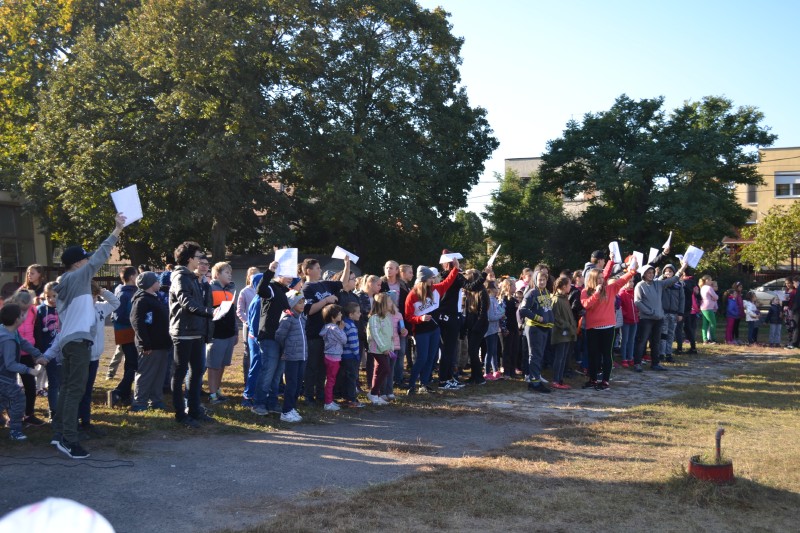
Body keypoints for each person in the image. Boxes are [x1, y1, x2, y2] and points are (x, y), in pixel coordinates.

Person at [52, 213, 125, 458]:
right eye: (84, 259)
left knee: (68, 389)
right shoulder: (77, 276)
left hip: (69, 341)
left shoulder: (69, 281)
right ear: (76, 264)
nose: (88, 262)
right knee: (75, 390)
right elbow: (101, 255)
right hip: (77, 342)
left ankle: (59, 433)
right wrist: (117, 230)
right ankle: (69, 440)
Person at [169, 241, 216, 429]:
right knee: (180, 373)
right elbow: (186, 302)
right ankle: (180, 414)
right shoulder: (180, 277)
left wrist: (209, 312)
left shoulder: (192, 277)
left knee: (197, 372)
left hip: (196, 332)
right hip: (183, 332)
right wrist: (209, 312)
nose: (201, 260)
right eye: (198, 256)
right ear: (189, 259)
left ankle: (195, 410)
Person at [301, 257, 350, 405]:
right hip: (315, 332)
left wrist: (347, 265)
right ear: (308, 271)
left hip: (329, 335)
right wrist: (325, 301)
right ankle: (308, 395)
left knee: (323, 366)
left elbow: (343, 283)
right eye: (317, 268)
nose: (320, 270)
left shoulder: (324, 284)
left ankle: (321, 394)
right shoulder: (306, 288)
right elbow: (308, 310)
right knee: (313, 365)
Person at [582, 256, 637, 389]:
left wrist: (632, 271)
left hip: (608, 327)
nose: (601, 280)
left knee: (606, 354)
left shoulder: (610, 289)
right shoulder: (585, 291)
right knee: (593, 355)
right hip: (592, 327)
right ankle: (593, 379)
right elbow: (586, 305)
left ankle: (605, 381)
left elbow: (622, 280)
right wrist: (596, 293)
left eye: (602, 278)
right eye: (599, 278)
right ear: (593, 279)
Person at [405, 262, 459, 394]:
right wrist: (420, 319)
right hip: (421, 332)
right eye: (431, 278)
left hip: (435, 330)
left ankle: (424, 384)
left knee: (431, 358)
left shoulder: (435, 289)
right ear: (424, 279)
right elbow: (408, 316)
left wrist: (456, 268)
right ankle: (411, 385)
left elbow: (448, 282)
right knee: (422, 358)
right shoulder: (412, 295)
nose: (433, 280)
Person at [0, 303, 47, 441]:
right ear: (16, 320)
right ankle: (15, 430)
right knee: (19, 399)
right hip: (4, 377)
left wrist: (38, 355)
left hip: (5, 377)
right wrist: (29, 370)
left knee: (3, 400)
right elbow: (10, 364)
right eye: (21, 315)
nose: (24, 317)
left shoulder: (11, 331)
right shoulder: (7, 340)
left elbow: (24, 343)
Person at [252, 260, 293, 416]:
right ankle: (259, 403)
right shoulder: (271, 288)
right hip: (269, 337)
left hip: (283, 338)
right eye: (287, 274)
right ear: (278, 274)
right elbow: (260, 289)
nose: (290, 277)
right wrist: (270, 271)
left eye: (291, 274)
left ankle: (272, 403)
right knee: (268, 371)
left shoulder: (287, 292)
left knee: (277, 374)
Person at [79, 283, 119, 436]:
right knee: (79, 390)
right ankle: (74, 421)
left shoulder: (100, 307)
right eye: (90, 296)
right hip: (82, 356)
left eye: (94, 296)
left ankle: (86, 421)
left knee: (88, 389)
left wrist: (102, 291)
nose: (93, 299)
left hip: (95, 357)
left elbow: (115, 302)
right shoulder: (79, 310)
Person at [634, 261, 687, 372]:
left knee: (656, 341)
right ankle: (637, 363)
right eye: (648, 273)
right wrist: (650, 312)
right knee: (642, 341)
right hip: (646, 319)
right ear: (644, 274)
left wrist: (683, 267)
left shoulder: (658, 284)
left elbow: (674, 279)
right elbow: (638, 302)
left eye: (652, 272)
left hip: (658, 318)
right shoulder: (640, 285)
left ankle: (655, 363)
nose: (651, 274)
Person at [130, 271, 171, 412]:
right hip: (150, 345)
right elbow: (138, 323)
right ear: (150, 284)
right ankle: (139, 402)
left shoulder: (154, 298)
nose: (159, 283)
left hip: (160, 344)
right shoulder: (142, 300)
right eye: (157, 281)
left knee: (159, 374)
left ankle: (156, 400)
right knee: (146, 374)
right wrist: (144, 343)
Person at [7, 290, 45, 426]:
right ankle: (13, 417)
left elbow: (34, 333)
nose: (23, 314)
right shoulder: (8, 313)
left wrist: (37, 353)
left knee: (30, 385)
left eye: (26, 309)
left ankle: (29, 414)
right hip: (11, 354)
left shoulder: (34, 311)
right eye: (21, 310)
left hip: (27, 354)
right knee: (10, 387)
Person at [519, 270, 554, 393]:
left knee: (539, 355)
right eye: (540, 280)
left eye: (544, 279)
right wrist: (538, 318)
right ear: (535, 280)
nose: (542, 282)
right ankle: (535, 383)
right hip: (534, 328)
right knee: (535, 355)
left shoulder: (546, 292)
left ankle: (536, 379)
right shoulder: (531, 293)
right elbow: (523, 310)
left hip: (545, 328)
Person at [207, 262, 237, 404]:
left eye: (230, 272)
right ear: (217, 274)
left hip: (229, 334)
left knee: (222, 364)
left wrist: (235, 332)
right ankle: (212, 394)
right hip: (216, 334)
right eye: (227, 272)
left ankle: (217, 390)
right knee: (214, 365)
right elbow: (207, 312)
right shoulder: (210, 289)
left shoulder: (230, 291)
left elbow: (232, 314)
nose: (230, 275)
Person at [276, 290, 307, 423]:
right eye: (299, 302)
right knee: (292, 384)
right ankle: (286, 411)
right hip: (291, 357)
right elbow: (279, 336)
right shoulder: (288, 319)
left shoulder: (302, 318)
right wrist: (289, 348)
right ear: (292, 303)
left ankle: (292, 408)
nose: (302, 304)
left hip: (302, 356)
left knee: (298, 384)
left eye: (303, 302)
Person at [110, 266, 138, 406]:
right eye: (137, 275)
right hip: (126, 332)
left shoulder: (130, 291)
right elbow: (117, 315)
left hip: (130, 331)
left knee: (130, 364)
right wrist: (136, 320)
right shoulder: (124, 293)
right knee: (134, 364)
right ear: (132, 277)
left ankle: (125, 394)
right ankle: (119, 391)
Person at [34, 282, 60, 421]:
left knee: (63, 382)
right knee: (53, 382)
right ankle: (53, 411)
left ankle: (63, 410)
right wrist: (39, 350)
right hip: (47, 352)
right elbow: (36, 332)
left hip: (63, 352)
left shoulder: (65, 308)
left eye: (54, 296)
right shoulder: (40, 310)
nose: (51, 299)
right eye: (48, 296)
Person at [366, 293, 394, 405]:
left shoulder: (387, 317)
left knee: (378, 371)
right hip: (377, 349)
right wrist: (383, 348)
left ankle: (375, 395)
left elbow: (389, 335)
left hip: (385, 350)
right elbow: (376, 335)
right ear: (383, 304)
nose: (391, 303)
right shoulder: (374, 318)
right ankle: (373, 393)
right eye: (389, 302)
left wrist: (390, 347)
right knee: (386, 369)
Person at [550, 276, 576, 389]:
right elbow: (555, 318)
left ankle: (560, 380)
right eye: (569, 285)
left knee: (564, 357)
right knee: (559, 357)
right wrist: (567, 326)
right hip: (560, 333)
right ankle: (556, 380)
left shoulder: (565, 298)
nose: (571, 287)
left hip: (567, 333)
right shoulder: (556, 299)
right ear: (564, 286)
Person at [236, 266, 260, 385]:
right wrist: (247, 322)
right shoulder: (244, 291)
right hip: (249, 327)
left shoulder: (262, 290)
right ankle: (247, 379)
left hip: (261, 326)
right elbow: (239, 310)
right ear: (248, 277)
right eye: (252, 275)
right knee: (248, 353)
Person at [320, 304, 346, 411]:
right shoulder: (334, 328)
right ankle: (328, 402)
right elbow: (344, 340)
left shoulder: (326, 327)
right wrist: (341, 329)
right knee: (331, 380)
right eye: (339, 314)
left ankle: (329, 400)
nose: (341, 315)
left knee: (330, 379)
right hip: (334, 357)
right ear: (332, 317)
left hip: (328, 355)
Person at [659, 264, 684, 362]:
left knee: (671, 334)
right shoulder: (661, 283)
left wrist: (680, 313)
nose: (668, 273)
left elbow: (682, 299)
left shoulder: (678, 285)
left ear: (674, 273)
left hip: (674, 313)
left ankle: (668, 353)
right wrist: (662, 276)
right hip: (663, 312)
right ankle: (661, 353)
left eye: (670, 271)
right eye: (666, 271)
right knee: (663, 333)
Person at [340, 302, 363, 408]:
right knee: (352, 377)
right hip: (351, 356)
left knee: (346, 377)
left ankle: (346, 396)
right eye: (357, 312)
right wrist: (357, 353)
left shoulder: (344, 324)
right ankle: (351, 399)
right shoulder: (352, 326)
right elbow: (353, 343)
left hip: (344, 355)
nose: (360, 314)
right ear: (351, 314)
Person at [499, 278, 520, 379]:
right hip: (507, 328)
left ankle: (512, 370)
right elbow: (502, 315)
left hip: (515, 327)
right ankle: (506, 371)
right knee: (507, 350)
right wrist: (504, 328)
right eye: (513, 285)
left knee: (514, 349)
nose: (515, 287)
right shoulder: (503, 300)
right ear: (508, 287)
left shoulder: (515, 300)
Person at [483, 282, 505, 380]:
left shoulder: (495, 300)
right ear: (491, 289)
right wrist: (501, 315)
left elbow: (501, 311)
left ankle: (495, 370)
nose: (498, 289)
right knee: (490, 351)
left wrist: (502, 312)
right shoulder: (489, 301)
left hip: (495, 329)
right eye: (496, 287)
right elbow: (491, 317)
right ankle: (487, 372)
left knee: (494, 351)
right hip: (489, 330)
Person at [618, 278, 638, 368]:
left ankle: (630, 357)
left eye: (632, 281)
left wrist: (638, 312)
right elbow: (619, 307)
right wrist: (625, 314)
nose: (632, 283)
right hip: (626, 321)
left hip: (634, 320)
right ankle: (624, 358)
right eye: (629, 281)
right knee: (624, 340)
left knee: (632, 340)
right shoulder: (622, 293)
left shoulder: (635, 292)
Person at [698, 275, 718, 344]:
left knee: (705, 324)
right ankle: (713, 339)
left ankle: (705, 339)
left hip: (703, 307)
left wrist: (712, 297)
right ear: (706, 280)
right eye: (710, 280)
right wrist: (714, 298)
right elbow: (716, 297)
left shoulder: (702, 287)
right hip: (708, 307)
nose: (711, 281)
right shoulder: (709, 287)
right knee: (713, 323)